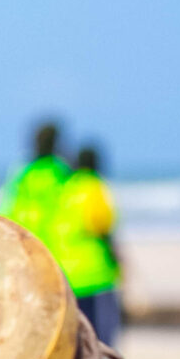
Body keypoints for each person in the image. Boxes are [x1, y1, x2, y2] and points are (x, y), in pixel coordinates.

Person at [53, 141, 124, 346]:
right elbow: (104, 228)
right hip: (96, 275)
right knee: (102, 339)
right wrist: (117, 261)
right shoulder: (93, 187)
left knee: (80, 341)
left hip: (69, 274)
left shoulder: (65, 189)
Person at [0, 119, 69, 243]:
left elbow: (7, 207)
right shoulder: (62, 171)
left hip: (24, 242)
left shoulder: (22, 172)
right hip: (54, 246)